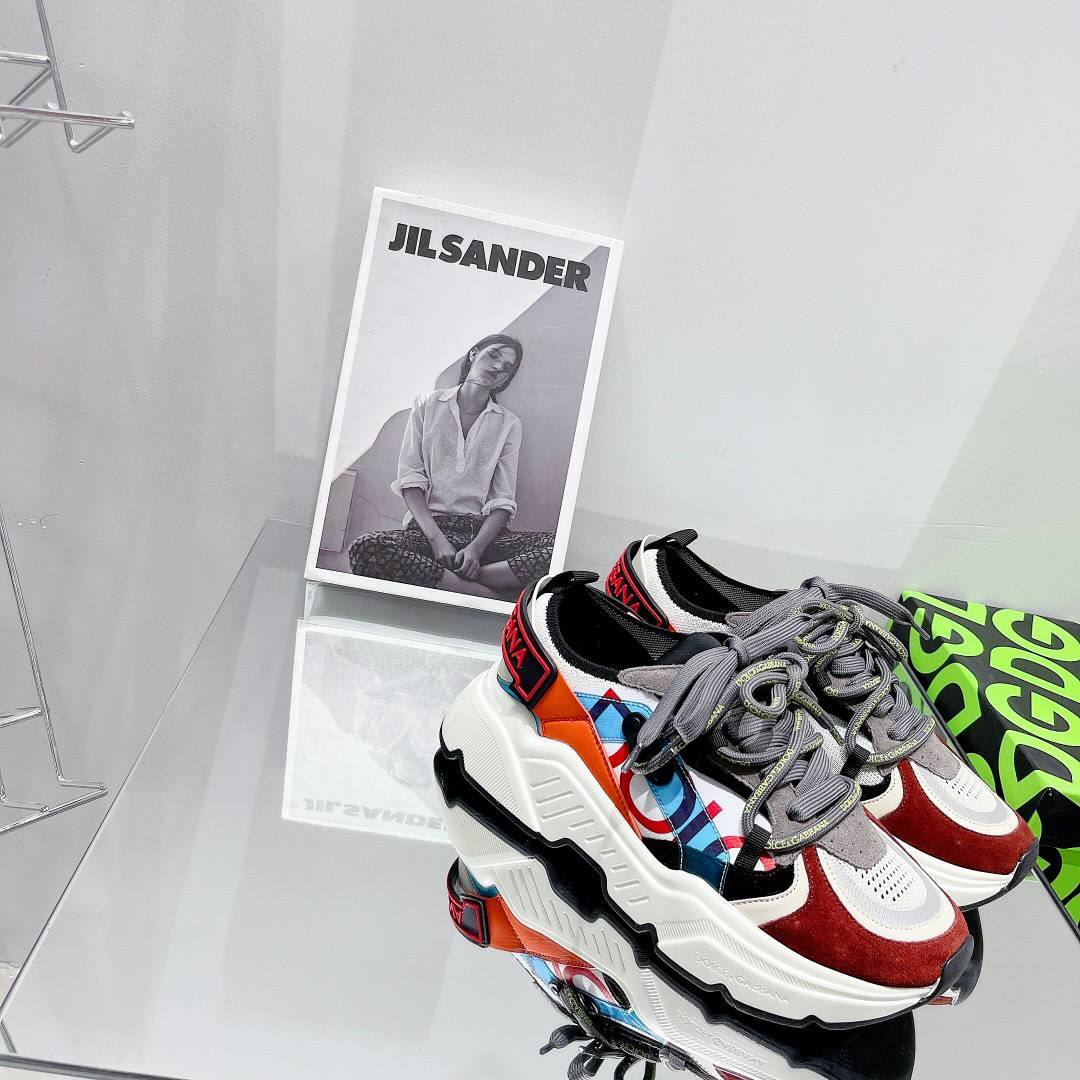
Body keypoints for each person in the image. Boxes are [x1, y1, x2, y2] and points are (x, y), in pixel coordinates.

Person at [348, 333, 555, 600]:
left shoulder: (508, 423)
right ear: (474, 354)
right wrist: (437, 540)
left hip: (484, 539)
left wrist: (476, 550)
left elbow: (503, 501)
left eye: (506, 367)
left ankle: (460, 578)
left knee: (559, 548)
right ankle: (486, 595)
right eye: (493, 355)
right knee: (367, 548)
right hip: (427, 532)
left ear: (505, 379)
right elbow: (411, 480)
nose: (497, 367)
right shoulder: (427, 404)